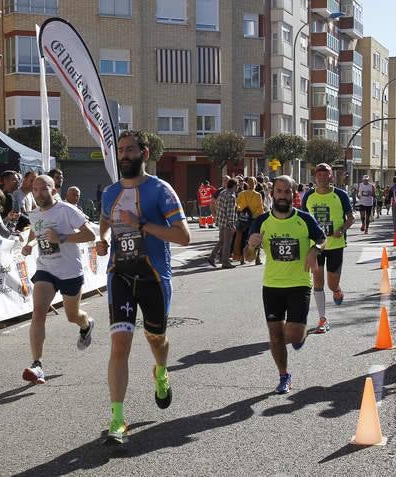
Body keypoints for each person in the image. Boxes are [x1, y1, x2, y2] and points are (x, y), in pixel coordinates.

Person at [96, 130, 190, 445]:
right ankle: (118, 419)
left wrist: (142, 225)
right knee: (119, 344)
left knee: (156, 340)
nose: (125, 155)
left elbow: (183, 236)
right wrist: (101, 240)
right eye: (120, 150)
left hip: (153, 278)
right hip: (120, 275)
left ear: (144, 153)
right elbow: (106, 223)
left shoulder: (161, 190)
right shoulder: (109, 192)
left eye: (130, 150)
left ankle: (161, 372)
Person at [244, 176, 325, 394]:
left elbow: (322, 237)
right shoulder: (261, 222)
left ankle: (302, 334)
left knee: (295, 335)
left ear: (293, 194)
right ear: (272, 194)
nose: (282, 195)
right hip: (272, 285)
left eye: (287, 191)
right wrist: (251, 248)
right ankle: (284, 375)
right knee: (275, 335)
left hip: (299, 283)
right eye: (278, 191)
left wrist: (314, 249)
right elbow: (248, 257)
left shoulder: (305, 219)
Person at [20, 175, 96, 384]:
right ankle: (37, 364)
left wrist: (62, 237)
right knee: (38, 313)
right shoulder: (34, 214)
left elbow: (89, 235)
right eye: (35, 189)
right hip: (46, 269)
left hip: (70, 271)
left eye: (44, 189)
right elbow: (37, 233)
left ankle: (86, 324)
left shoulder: (66, 210)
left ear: (54, 191)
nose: (39, 193)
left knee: (72, 316)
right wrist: (30, 245)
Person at [301, 163, 354, 334]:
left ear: (331, 176)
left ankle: (337, 291)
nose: (322, 177)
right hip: (316, 246)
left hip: (335, 245)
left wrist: (342, 230)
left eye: (326, 174)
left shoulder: (340, 195)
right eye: (319, 174)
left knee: (332, 284)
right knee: (317, 282)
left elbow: (351, 218)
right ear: (315, 177)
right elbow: (303, 221)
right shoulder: (308, 196)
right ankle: (322, 319)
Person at [207, 178, 237, 269]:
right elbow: (230, 212)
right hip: (227, 223)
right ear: (234, 186)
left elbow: (217, 206)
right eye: (237, 185)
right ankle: (225, 262)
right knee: (227, 243)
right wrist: (232, 224)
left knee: (222, 241)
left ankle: (212, 257)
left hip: (221, 221)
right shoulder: (231, 196)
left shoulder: (222, 192)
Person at [234, 177, 265, 265]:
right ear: (255, 184)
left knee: (242, 238)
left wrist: (243, 210)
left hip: (243, 218)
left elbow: (237, 205)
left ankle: (241, 258)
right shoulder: (257, 195)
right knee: (256, 239)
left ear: (247, 184)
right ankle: (257, 258)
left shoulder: (241, 194)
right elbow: (260, 209)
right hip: (254, 220)